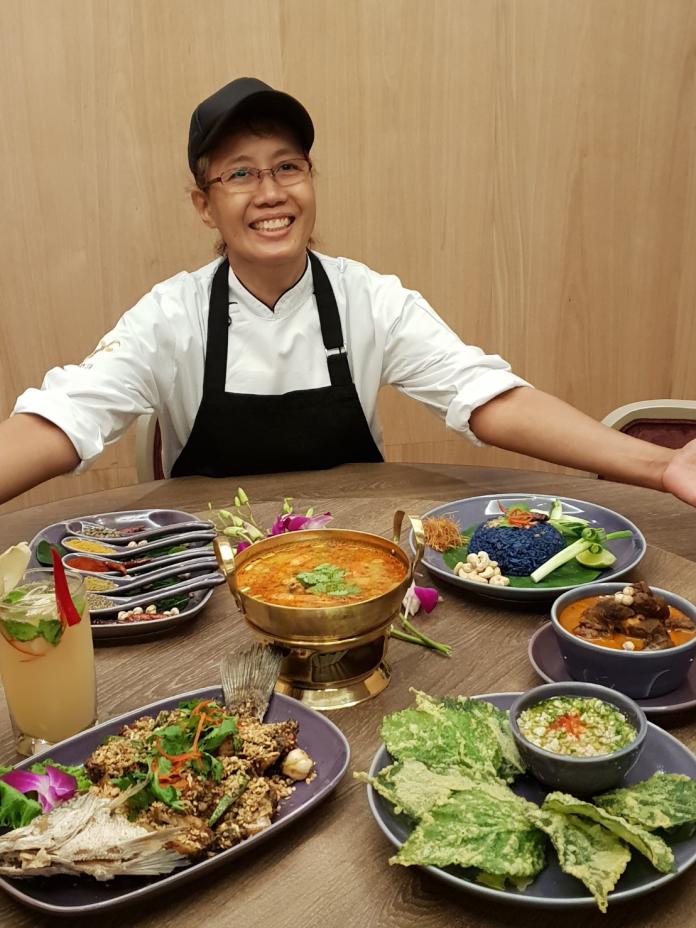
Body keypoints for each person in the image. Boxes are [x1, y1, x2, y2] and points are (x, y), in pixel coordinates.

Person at [1, 77, 695, 507]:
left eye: (287, 167)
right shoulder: (170, 315)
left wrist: (664, 466)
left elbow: (485, 398)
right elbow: (63, 420)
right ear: (203, 205)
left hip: (354, 567)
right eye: (239, 174)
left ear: (309, 180)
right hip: (215, 576)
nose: (270, 192)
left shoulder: (367, 298)